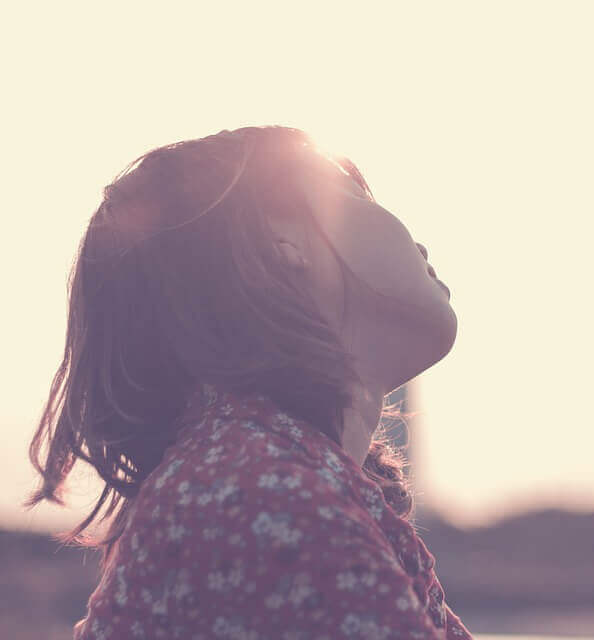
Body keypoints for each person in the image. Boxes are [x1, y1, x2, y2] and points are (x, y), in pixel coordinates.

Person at [22, 126, 472, 638]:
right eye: (356, 197)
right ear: (283, 243)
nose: (413, 237)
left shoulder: (255, 482)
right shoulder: (258, 501)